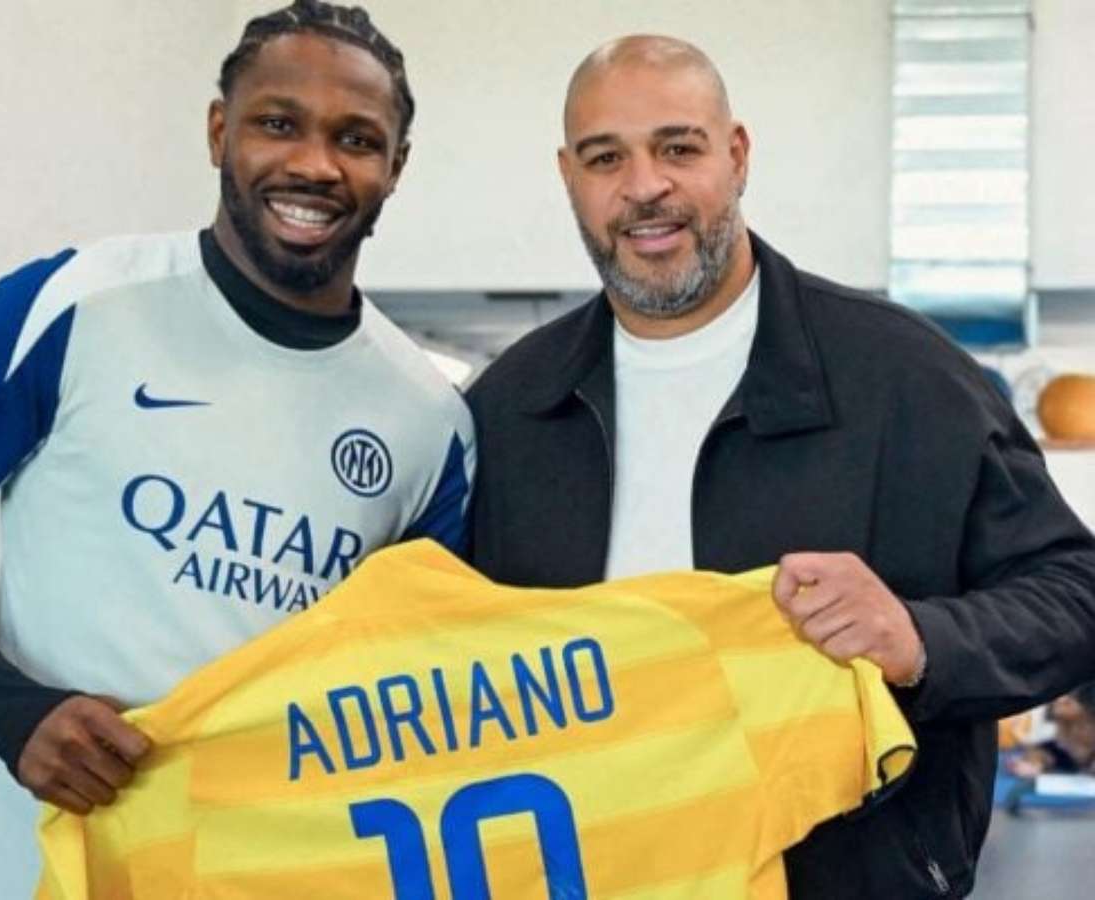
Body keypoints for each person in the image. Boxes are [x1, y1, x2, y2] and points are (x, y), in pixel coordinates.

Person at [465, 35, 1095, 899]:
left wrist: (922, 640)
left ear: (737, 155)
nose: (644, 186)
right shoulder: (509, 409)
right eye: (606, 158)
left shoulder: (903, 377)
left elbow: (1075, 593)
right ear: (568, 175)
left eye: (678, 148)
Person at [0, 2, 474, 897]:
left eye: (357, 139)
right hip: (41, 876)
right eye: (278, 123)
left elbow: (422, 697)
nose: (315, 165)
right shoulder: (72, 305)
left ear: (396, 167)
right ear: (217, 131)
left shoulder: (432, 422)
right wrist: (14, 715)